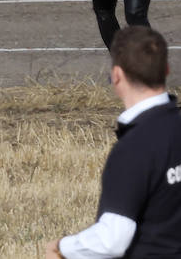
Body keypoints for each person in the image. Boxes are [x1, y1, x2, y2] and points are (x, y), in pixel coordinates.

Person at [48, 27, 181, 259]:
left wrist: (64, 248)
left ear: (117, 76)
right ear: (166, 70)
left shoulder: (133, 148)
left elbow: (113, 240)